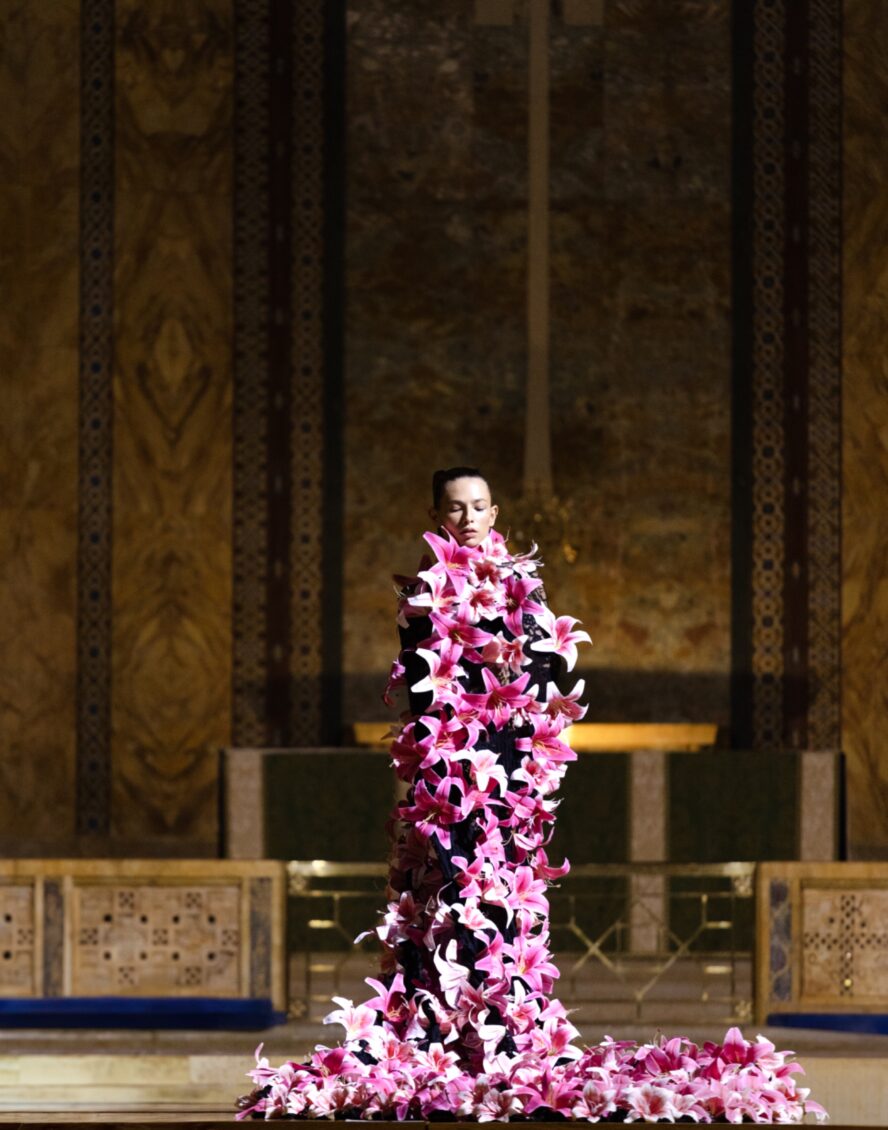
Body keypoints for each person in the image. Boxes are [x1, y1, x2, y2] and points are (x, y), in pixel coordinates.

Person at [236, 469, 823, 1124]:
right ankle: (444, 1039)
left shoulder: (525, 586)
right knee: (444, 902)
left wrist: (514, 714)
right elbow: (426, 694)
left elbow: (543, 680)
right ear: (436, 513)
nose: (468, 518)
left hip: (511, 779)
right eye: (455, 509)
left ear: (494, 512)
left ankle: (508, 1042)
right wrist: (484, 694)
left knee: (506, 917)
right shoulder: (425, 592)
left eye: (480, 506)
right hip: (450, 778)